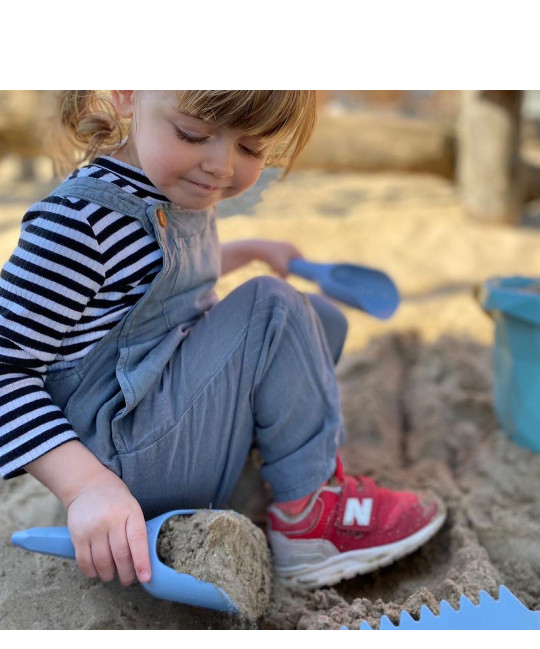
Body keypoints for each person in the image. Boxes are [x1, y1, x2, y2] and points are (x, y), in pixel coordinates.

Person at [0, 90, 446, 592]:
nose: (220, 166)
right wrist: (86, 488)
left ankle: (262, 474)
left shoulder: (167, 182)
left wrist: (251, 250)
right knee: (273, 309)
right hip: (122, 464)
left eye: (251, 150)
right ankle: (308, 518)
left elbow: (160, 277)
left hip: (165, 427)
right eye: (192, 134)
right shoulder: (78, 224)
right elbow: (6, 368)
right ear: (127, 94)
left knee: (320, 320)